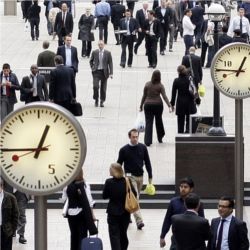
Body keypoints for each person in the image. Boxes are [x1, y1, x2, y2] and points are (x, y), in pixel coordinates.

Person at [117, 128, 153, 230]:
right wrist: (118, 177)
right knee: (135, 198)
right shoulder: (124, 150)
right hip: (129, 177)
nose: (135, 139)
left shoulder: (143, 147)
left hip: (140, 176)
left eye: (137, 137)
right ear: (129, 137)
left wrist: (150, 175)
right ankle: (139, 221)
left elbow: (147, 162)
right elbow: (119, 164)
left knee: (134, 198)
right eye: (133, 137)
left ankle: (127, 215)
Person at [160, 177, 205, 249]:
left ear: (191, 189)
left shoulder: (198, 203)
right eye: (181, 186)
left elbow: (201, 220)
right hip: (176, 239)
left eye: (185, 187)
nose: (183, 189)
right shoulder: (173, 202)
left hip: (193, 238)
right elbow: (167, 220)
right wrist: (162, 236)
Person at [103, 163, 136, 250]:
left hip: (113, 213)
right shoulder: (127, 181)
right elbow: (134, 194)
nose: (109, 171)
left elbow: (104, 196)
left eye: (110, 169)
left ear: (114, 171)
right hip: (125, 212)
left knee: (114, 235)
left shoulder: (109, 182)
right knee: (123, 234)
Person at [65, 169, 98, 250]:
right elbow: (89, 201)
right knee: (82, 235)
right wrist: (92, 214)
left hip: (70, 213)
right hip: (81, 213)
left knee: (73, 235)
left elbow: (64, 198)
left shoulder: (67, 185)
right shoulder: (85, 185)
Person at [140, 70, 172, 146]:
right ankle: (160, 137)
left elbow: (144, 96)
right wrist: (169, 106)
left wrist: (141, 105)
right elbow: (164, 96)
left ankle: (148, 141)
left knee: (149, 122)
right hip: (158, 105)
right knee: (159, 120)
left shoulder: (147, 84)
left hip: (148, 105)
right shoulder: (160, 85)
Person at [170, 65, 197, 133]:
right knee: (189, 119)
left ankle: (180, 133)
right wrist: (197, 99)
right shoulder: (190, 79)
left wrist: (172, 104)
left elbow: (174, 94)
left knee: (180, 120)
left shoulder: (176, 81)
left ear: (178, 72)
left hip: (180, 103)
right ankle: (187, 131)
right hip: (189, 102)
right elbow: (194, 90)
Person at [89, 40, 113, 107]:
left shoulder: (108, 53)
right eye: (99, 44)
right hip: (96, 72)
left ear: (104, 45)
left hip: (104, 72)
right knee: (95, 86)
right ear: (98, 45)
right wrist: (92, 67)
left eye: (101, 44)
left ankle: (102, 101)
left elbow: (110, 63)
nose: (100, 46)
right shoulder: (95, 52)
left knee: (103, 88)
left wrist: (111, 73)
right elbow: (91, 61)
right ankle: (96, 99)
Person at [0, 177, 19, 250]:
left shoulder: (10, 198)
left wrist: (12, 230)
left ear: (1, 186)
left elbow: (15, 215)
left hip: (6, 230)